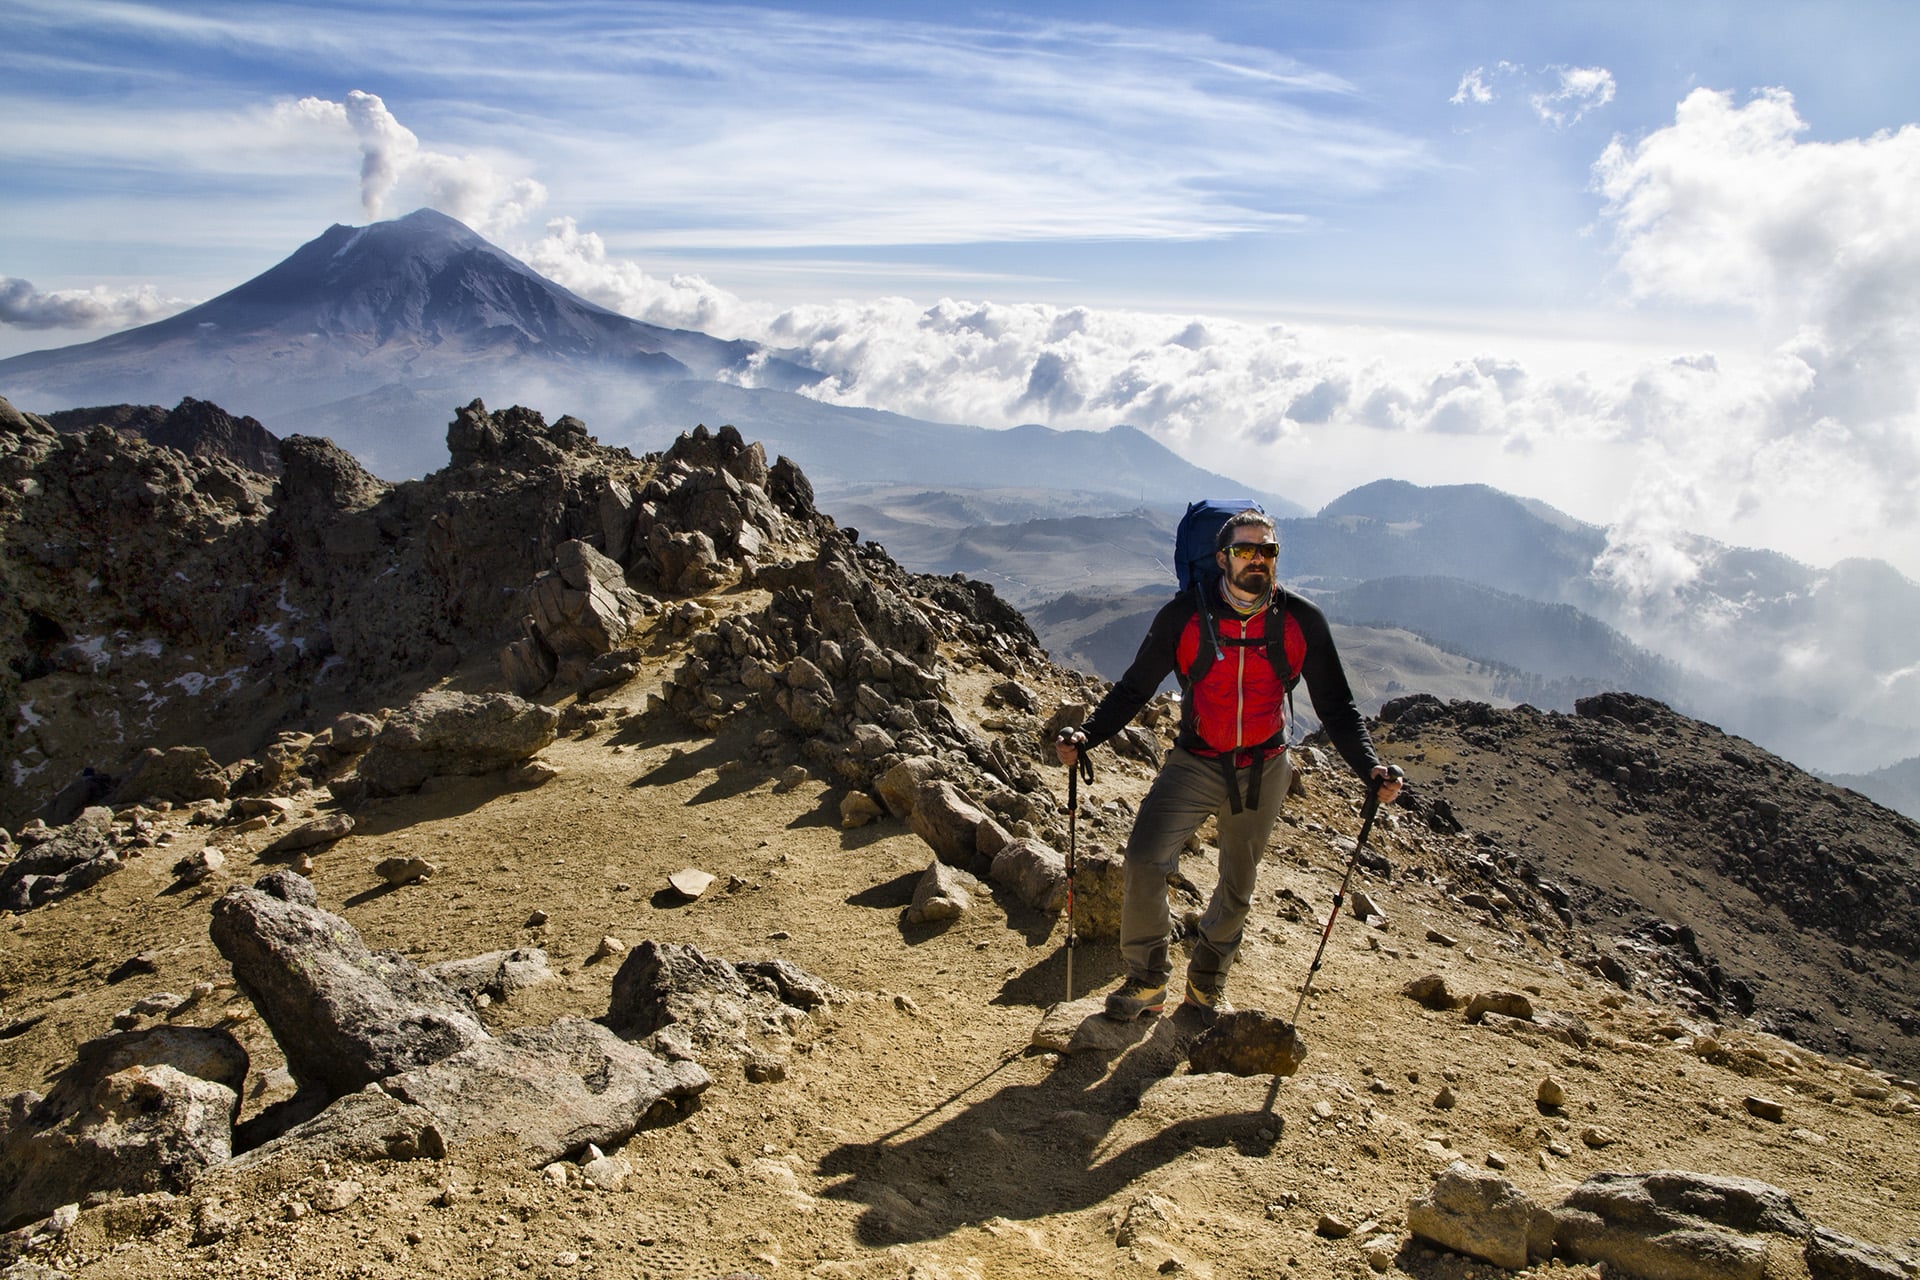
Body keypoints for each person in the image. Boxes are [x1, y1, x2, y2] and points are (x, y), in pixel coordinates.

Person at [1054, 509, 1403, 1021]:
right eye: (1246, 550)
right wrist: (1088, 735)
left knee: (1237, 882)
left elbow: (1337, 707)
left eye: (1268, 550)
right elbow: (1135, 688)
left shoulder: (1301, 620)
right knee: (1145, 858)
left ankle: (1206, 985)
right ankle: (1148, 978)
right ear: (1222, 558)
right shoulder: (1184, 616)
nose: (1258, 559)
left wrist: (1371, 768)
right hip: (1195, 758)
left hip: (1265, 765)